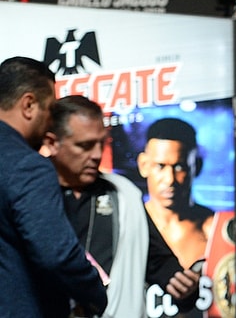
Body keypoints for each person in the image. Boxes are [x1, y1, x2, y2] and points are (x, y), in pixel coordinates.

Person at [44, 95, 200, 317]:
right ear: (52, 143)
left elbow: (157, 261)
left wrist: (182, 286)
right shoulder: (30, 195)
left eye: (101, 143)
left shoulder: (124, 195)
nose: (97, 155)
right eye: (85, 146)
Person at [0, 56, 107, 317]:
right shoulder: (27, 165)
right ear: (29, 105)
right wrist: (97, 295)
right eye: (49, 110)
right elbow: (56, 255)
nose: (50, 123)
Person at [137, 117, 215, 269]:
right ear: (144, 165)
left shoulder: (212, 229)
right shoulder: (129, 225)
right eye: (160, 166)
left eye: (179, 167)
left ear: (196, 167)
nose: (169, 179)